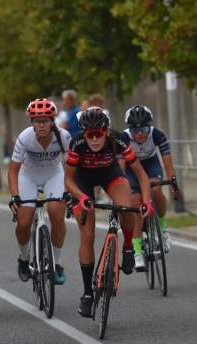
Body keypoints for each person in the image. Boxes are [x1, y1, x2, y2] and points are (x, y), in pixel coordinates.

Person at [63, 107, 153, 317]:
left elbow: (141, 175)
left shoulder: (119, 140)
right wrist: (82, 197)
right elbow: (68, 180)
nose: (94, 139)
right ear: (84, 134)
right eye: (90, 135)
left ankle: (129, 247)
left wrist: (146, 202)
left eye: (98, 134)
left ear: (107, 131)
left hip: (109, 174)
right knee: (88, 236)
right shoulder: (77, 143)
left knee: (126, 206)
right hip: (82, 181)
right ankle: (87, 294)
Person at [9, 99, 71, 284]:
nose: (41, 125)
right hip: (28, 175)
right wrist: (15, 196)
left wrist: (67, 190)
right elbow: (13, 170)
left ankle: (56, 263)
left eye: (45, 120)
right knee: (24, 220)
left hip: (54, 174)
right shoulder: (25, 137)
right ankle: (24, 258)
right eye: (37, 121)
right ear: (32, 122)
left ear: (52, 121)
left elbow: (71, 166)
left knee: (56, 213)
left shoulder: (64, 136)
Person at [122, 105, 180, 271]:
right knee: (136, 202)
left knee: (157, 190)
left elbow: (168, 163)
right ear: (129, 129)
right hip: (131, 169)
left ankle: (163, 228)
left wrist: (173, 182)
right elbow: (121, 168)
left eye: (144, 129)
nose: (140, 133)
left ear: (150, 127)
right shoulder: (124, 138)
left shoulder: (157, 135)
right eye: (135, 130)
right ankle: (137, 251)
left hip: (150, 165)